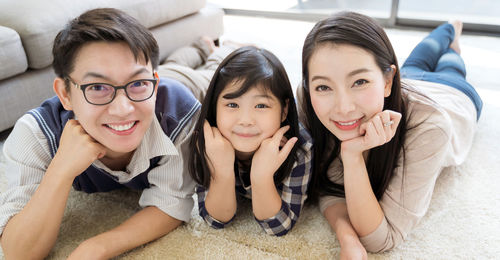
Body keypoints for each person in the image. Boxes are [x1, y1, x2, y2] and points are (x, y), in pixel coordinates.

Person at [0, 8, 232, 259]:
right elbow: (18, 252)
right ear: (65, 94)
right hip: (156, 79)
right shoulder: (36, 135)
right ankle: (198, 49)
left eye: (139, 82)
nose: (122, 109)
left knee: (219, 76)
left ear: (152, 85)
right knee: (171, 66)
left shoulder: (180, 115)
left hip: (185, 83)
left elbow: (171, 202)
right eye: (97, 87)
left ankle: (216, 51)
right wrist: (60, 169)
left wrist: (97, 247)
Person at [299, 12, 482, 256]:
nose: (343, 108)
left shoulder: (430, 127)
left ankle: (452, 29)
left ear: (387, 81)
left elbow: (381, 240)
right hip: (406, 83)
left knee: (451, 62)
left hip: (452, 94)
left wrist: (352, 158)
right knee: (420, 59)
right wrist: (347, 238)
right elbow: (329, 190)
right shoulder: (309, 99)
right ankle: (448, 34)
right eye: (323, 86)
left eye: (359, 81)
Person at [189, 46, 313, 236]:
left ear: (284, 110)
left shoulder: (299, 146)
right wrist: (221, 171)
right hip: (193, 80)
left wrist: (261, 177)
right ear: (215, 108)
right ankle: (208, 48)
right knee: (186, 70)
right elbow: (214, 220)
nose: (246, 120)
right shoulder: (209, 140)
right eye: (232, 104)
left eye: (261, 105)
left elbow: (278, 226)